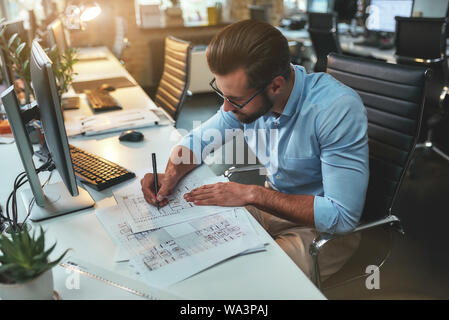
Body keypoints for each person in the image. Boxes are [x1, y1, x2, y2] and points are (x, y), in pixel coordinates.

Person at [141, 20, 369, 281]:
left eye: (235, 100)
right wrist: (170, 174)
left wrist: (252, 193)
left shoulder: (335, 109)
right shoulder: (248, 98)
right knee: (194, 248)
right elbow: (197, 142)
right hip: (273, 205)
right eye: (222, 93)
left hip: (323, 228)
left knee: (244, 277)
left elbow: (341, 216)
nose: (226, 108)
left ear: (275, 86)